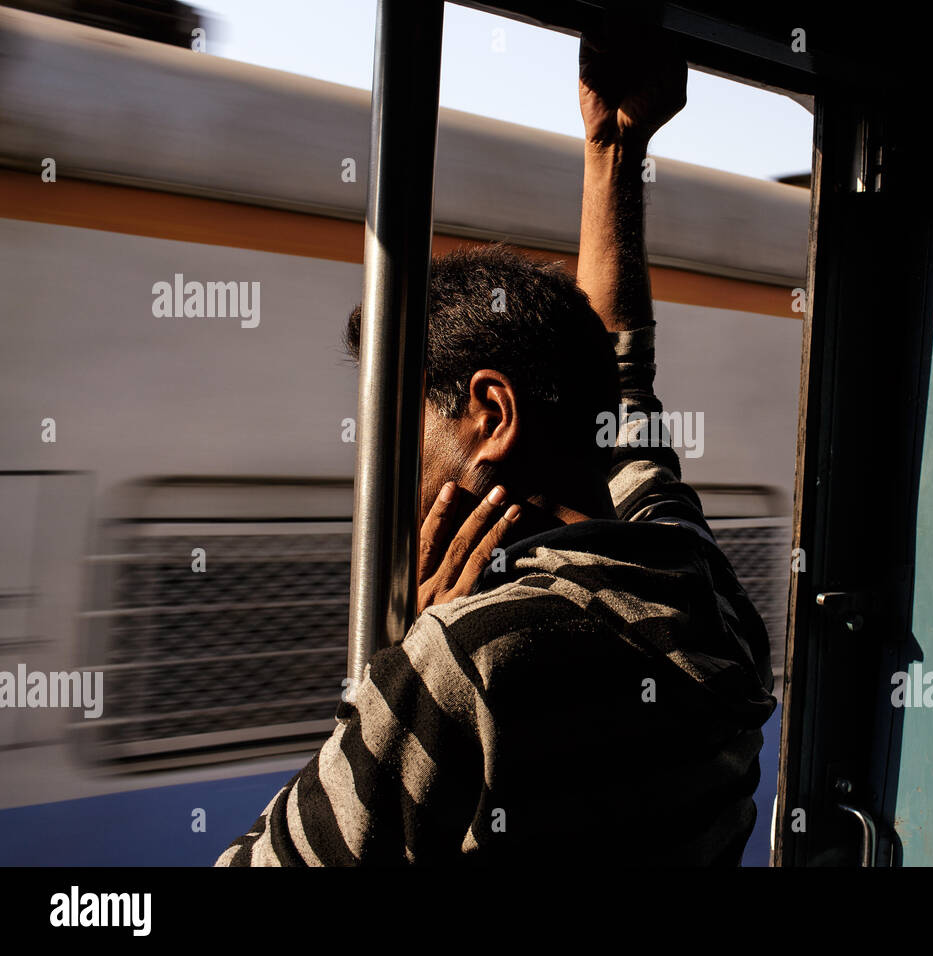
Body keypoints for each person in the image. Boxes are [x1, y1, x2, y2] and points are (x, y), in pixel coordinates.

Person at [214, 27, 776, 867]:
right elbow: (624, 388)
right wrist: (612, 151)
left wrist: (395, 668)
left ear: (490, 412)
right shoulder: (704, 595)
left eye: (399, 435)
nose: (380, 475)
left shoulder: (463, 662)